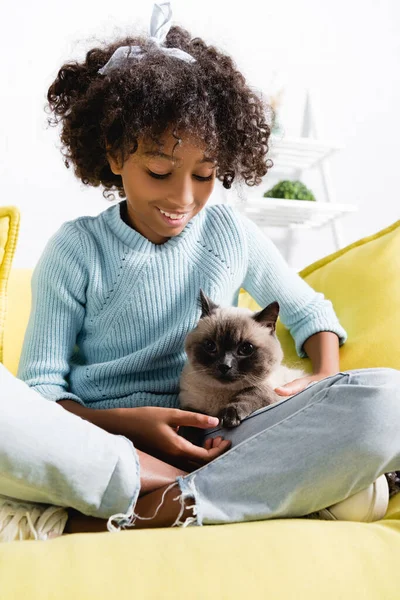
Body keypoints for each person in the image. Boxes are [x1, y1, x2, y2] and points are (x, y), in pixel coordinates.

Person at [1, 2, 399, 540]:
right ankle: (227, 491)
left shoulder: (228, 232)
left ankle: (157, 506)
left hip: (223, 437)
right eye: (160, 171)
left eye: (206, 174)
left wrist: (321, 381)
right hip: (107, 445)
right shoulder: (77, 248)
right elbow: (41, 396)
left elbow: (312, 314)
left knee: (385, 399)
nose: (184, 198)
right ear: (115, 156)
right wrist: (130, 425)